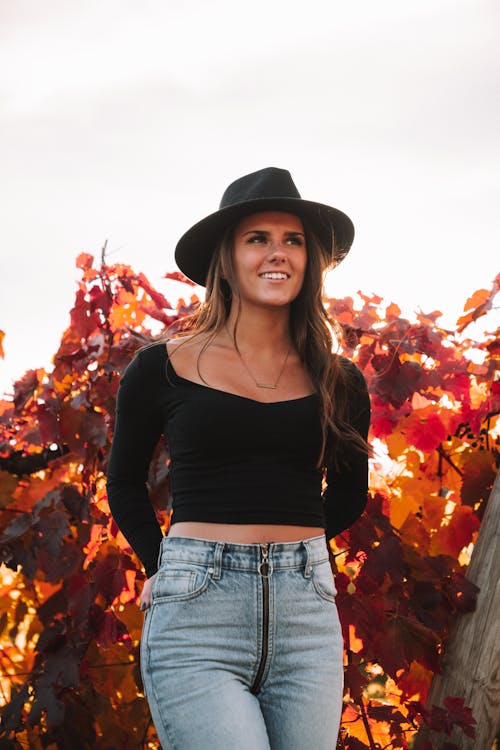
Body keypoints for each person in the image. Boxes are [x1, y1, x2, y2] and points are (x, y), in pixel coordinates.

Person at [106, 167, 370, 749]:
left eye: (293, 240)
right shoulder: (161, 368)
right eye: (258, 239)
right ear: (227, 257)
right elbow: (122, 481)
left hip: (306, 617)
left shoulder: (339, 379)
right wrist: (163, 564)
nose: (278, 254)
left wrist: (294, 559)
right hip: (198, 614)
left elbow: (352, 492)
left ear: (311, 261)